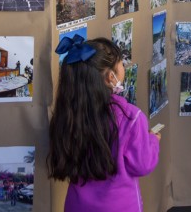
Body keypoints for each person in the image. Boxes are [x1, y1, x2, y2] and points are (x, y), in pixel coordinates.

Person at [48, 36, 160, 211]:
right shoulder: (131, 117)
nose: (124, 66)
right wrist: (153, 141)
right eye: (121, 63)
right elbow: (143, 165)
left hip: (76, 206)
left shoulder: (67, 116)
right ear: (111, 77)